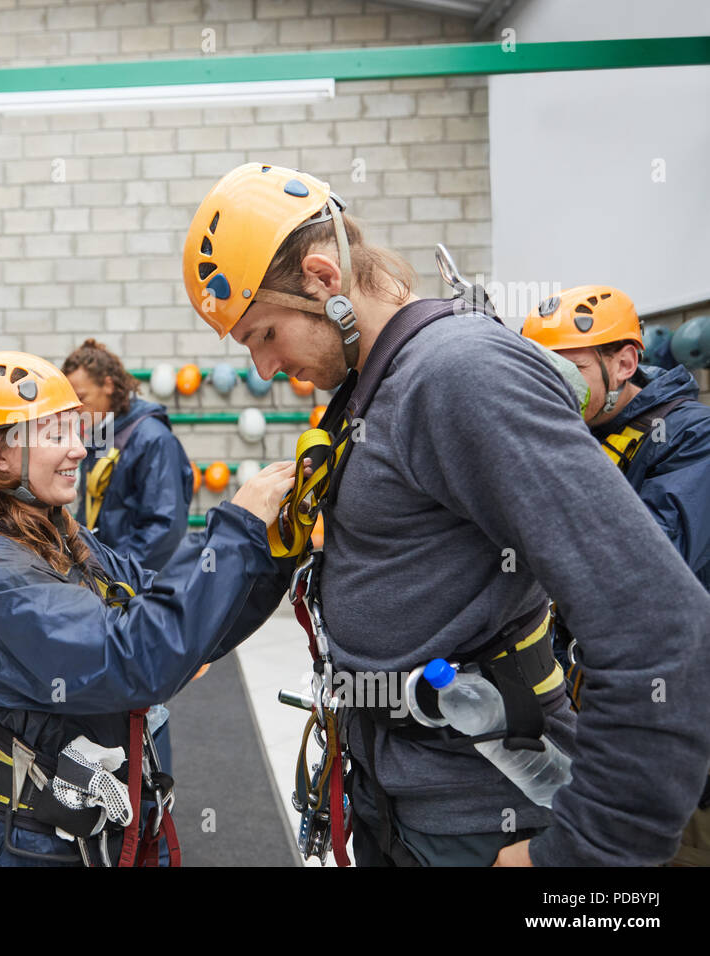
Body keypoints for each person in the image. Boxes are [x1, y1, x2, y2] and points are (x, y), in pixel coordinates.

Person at [181, 162, 710, 866]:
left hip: (486, 814)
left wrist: (580, 855)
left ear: (321, 278)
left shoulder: (458, 374)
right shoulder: (376, 386)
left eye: (263, 334)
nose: (266, 368)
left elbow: (662, 626)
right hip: (404, 799)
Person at [0, 350, 297, 866]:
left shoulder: (58, 533)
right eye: (57, 434)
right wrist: (235, 531)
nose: (81, 449)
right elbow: (134, 657)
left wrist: (274, 549)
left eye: (77, 430)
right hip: (30, 846)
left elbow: (165, 613)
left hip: (84, 830)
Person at [521, 287, 710, 866]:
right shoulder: (577, 431)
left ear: (624, 362)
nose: (556, 387)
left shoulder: (691, 439)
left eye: (571, 370)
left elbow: (640, 573)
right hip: (592, 710)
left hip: (673, 728)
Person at [62, 338, 194, 779]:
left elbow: (165, 527)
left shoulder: (152, 439)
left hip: (132, 591)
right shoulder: (101, 438)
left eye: (81, 398)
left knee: (146, 706)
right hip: (107, 590)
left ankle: (153, 814)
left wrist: (107, 577)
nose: (76, 409)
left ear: (111, 385)